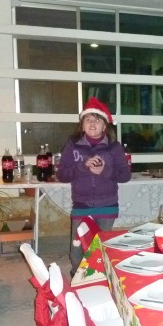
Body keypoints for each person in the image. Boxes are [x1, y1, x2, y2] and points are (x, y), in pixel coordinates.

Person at [56, 97, 132, 275]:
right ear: (82, 125)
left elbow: (125, 175)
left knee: (100, 249)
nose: (92, 123)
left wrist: (105, 171)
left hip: (107, 205)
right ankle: (78, 278)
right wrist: (82, 166)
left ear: (104, 126)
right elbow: (62, 175)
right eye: (88, 119)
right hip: (81, 206)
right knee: (77, 250)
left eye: (97, 120)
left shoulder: (114, 147)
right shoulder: (72, 146)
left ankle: (99, 279)